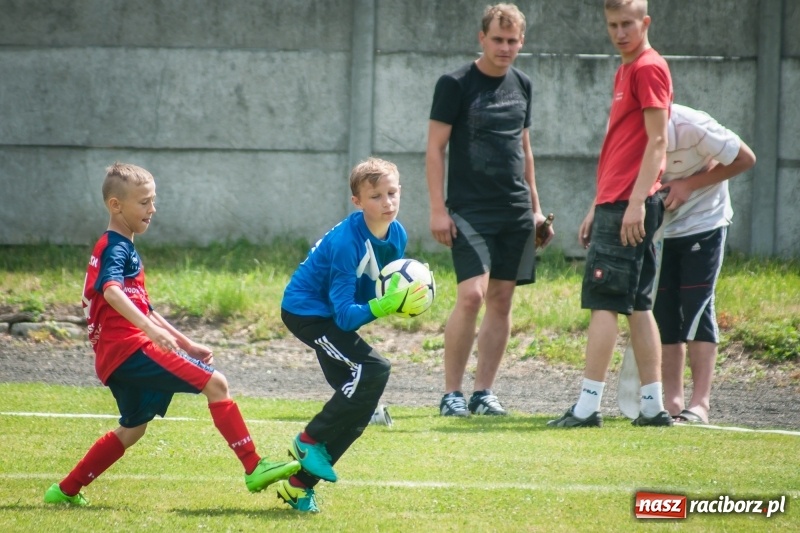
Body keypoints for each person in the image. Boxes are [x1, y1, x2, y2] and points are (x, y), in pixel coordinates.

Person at [44, 163, 299, 507]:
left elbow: (145, 308)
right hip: (131, 348)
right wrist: (148, 332)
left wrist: (185, 343)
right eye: (144, 202)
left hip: (117, 356)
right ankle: (253, 466)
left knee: (133, 429)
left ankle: (64, 491)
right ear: (116, 206)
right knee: (217, 384)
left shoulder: (119, 247)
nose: (152, 209)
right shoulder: (115, 247)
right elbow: (112, 292)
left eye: (153, 201)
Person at [279, 157, 429, 513]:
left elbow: (384, 282)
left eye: (392, 193)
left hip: (332, 316)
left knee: (361, 407)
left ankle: (298, 488)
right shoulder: (348, 242)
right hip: (307, 314)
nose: (387, 202)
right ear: (357, 202)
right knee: (376, 368)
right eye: (375, 196)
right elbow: (346, 316)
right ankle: (307, 439)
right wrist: (387, 304)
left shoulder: (398, 234)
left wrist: (404, 297)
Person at [549, 0, 673, 428]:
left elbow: (658, 143)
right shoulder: (626, 69)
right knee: (638, 305)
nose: (619, 32)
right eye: (613, 25)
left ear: (646, 23)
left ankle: (586, 407)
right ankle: (654, 407)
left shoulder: (647, 67)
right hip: (617, 201)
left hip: (629, 203)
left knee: (603, 303)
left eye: (627, 24)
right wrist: (595, 204)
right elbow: (623, 146)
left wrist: (634, 203)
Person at [426, 3, 552, 417]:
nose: (504, 47)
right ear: (482, 38)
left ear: (522, 42)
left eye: (512, 40)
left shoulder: (524, 84)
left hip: (515, 211)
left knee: (501, 300)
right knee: (471, 296)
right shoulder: (454, 83)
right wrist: (437, 210)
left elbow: (526, 150)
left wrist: (536, 210)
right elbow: (434, 149)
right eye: (497, 39)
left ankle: (483, 393)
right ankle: (451, 394)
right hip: (469, 210)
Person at [657, 104, 756, 424]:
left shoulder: (693, 125)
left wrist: (688, 185)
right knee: (663, 310)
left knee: (696, 305)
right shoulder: (629, 125)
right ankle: (672, 401)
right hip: (660, 228)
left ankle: (700, 404)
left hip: (705, 222)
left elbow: (745, 158)